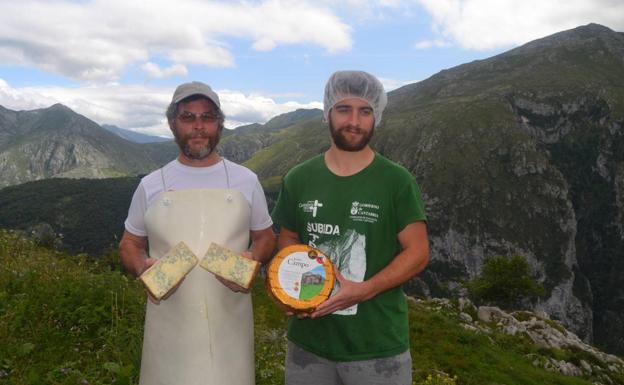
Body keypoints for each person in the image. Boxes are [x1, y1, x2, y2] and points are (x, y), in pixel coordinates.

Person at [272, 70, 429, 385]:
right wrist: (290, 287)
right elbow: (288, 237)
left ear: (376, 117)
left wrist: (363, 290)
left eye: (365, 111)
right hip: (308, 346)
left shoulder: (396, 181)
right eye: (344, 109)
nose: (354, 121)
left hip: (377, 349)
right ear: (328, 112)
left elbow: (418, 251)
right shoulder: (299, 178)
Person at [119, 81, 276, 385]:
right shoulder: (151, 184)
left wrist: (252, 259)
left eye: (207, 117)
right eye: (188, 117)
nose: (198, 127)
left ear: (220, 124)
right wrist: (142, 267)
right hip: (168, 324)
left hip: (230, 322)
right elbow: (130, 243)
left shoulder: (245, 180)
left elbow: (266, 236)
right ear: (172, 124)